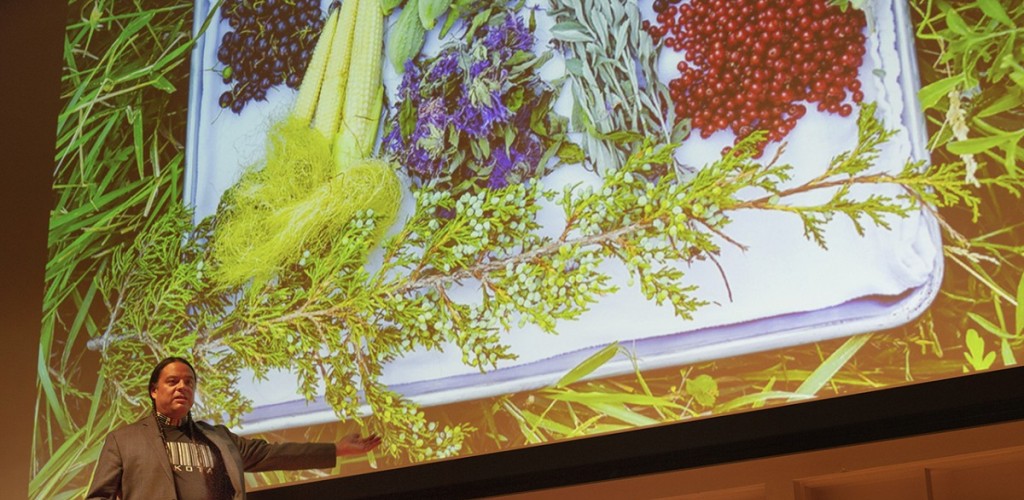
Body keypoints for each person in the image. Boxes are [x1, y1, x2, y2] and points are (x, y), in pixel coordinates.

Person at [86, 356, 381, 499]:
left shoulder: (217, 438)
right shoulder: (125, 440)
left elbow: (274, 454)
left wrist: (337, 449)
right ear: (154, 390)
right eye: (172, 381)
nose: (182, 387)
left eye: (189, 382)